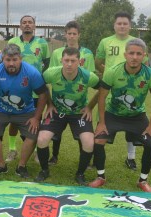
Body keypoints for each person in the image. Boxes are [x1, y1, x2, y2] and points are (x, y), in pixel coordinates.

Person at [90, 38, 151, 192]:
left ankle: (143, 180)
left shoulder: (150, 75)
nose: (134, 57)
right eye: (131, 53)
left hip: (137, 116)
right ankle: (101, 177)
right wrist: (101, 122)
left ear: (144, 56)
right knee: (98, 140)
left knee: (150, 143)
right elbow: (102, 97)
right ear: (125, 54)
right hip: (113, 114)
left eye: (138, 54)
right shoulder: (112, 72)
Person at [0, 43, 48, 178]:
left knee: (33, 134)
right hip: (1, 110)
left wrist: (36, 118)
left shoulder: (32, 73)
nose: (11, 63)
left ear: (21, 59)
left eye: (15, 60)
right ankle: (1, 165)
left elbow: (43, 94)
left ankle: (21, 166)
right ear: (2, 59)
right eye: (8, 60)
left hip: (25, 111)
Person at [35, 47, 100, 183]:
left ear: (79, 62)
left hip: (78, 114)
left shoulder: (88, 76)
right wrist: (50, 104)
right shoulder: (51, 73)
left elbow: (102, 90)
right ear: (61, 60)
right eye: (66, 60)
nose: (69, 64)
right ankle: (44, 170)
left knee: (88, 142)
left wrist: (89, 107)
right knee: (42, 139)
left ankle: (80, 174)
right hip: (57, 112)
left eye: (73, 61)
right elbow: (41, 86)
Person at [95, 11, 145, 171]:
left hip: (131, 87)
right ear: (114, 25)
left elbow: (144, 64)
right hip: (110, 86)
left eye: (125, 23)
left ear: (130, 25)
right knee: (102, 118)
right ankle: (96, 158)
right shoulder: (105, 42)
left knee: (131, 118)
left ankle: (131, 158)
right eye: (119, 23)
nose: (122, 26)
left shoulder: (137, 42)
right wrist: (109, 73)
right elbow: (98, 62)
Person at [48, 20, 96, 165]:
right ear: (65, 35)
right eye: (69, 33)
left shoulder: (87, 53)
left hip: (79, 99)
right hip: (59, 99)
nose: (72, 36)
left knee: (83, 132)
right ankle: (54, 156)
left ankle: (85, 160)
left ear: (79, 35)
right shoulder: (57, 53)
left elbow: (90, 75)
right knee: (56, 132)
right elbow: (52, 74)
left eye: (74, 33)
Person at [6, 15, 50, 162]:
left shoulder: (42, 43)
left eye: (30, 22)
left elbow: (46, 64)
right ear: (20, 26)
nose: (27, 25)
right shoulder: (13, 42)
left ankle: (38, 150)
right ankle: (12, 150)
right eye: (24, 22)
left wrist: (38, 79)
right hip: (17, 88)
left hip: (35, 89)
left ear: (34, 26)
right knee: (13, 120)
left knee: (37, 119)